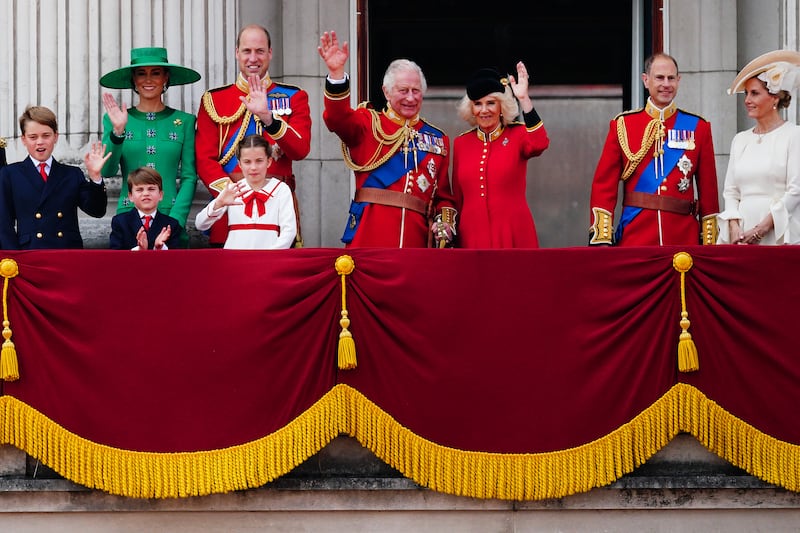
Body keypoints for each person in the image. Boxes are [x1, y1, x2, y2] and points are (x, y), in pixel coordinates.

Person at [318, 30, 455, 248]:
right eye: (403, 90)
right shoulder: (367, 123)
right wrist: (336, 74)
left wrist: (444, 224)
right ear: (386, 92)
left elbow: (444, 197)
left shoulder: (438, 138)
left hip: (416, 242)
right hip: (370, 237)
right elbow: (337, 118)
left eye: (416, 91)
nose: (410, 97)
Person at [195, 24, 310, 247]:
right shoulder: (214, 100)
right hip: (231, 209)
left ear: (270, 53)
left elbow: (301, 149)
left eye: (259, 51)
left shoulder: (294, 96)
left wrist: (269, 119)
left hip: (278, 207)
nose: (253, 58)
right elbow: (204, 159)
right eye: (247, 51)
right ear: (237, 53)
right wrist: (234, 195)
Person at [589, 53, 719, 246]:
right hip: (636, 236)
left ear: (678, 80)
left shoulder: (698, 127)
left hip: (683, 238)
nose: (666, 84)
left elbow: (709, 190)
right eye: (659, 77)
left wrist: (710, 241)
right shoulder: (623, 125)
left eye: (671, 78)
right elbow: (604, 185)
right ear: (645, 80)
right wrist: (602, 236)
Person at [99, 47, 200, 248]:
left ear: (166, 78)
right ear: (133, 80)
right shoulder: (116, 119)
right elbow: (107, 171)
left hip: (170, 218)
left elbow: (190, 176)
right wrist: (118, 132)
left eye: (156, 73)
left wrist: (176, 221)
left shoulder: (185, 121)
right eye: (141, 73)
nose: (148, 80)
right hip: (128, 219)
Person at [452, 64, 549, 248]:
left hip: (513, 233)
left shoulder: (518, 134)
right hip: (472, 236)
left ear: (501, 106)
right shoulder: (461, 144)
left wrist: (524, 99)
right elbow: (458, 198)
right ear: (471, 109)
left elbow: (540, 143)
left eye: (491, 103)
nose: (484, 110)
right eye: (477, 104)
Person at [718, 50, 800, 245]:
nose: (747, 100)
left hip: (779, 231)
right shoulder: (740, 140)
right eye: (746, 93)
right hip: (741, 235)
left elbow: (795, 190)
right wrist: (734, 226)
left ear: (775, 98)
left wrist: (762, 229)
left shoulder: (794, 135)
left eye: (754, 93)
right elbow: (730, 191)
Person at [0, 106, 109, 249]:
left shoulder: (72, 174)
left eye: (46, 135)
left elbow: (97, 211)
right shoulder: (9, 174)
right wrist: (13, 259)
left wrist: (95, 177)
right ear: (24, 139)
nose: (40, 142)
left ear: (55, 137)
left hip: (66, 254)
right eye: (33, 137)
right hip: (29, 254)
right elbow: (3, 223)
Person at [194, 134, 296, 249]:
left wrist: (271, 256)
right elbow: (200, 224)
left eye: (259, 161)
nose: (253, 167)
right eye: (247, 162)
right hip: (235, 260)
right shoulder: (233, 189)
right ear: (240, 164)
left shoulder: (281, 189)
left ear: (269, 162)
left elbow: (289, 231)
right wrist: (218, 203)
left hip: (269, 259)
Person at [110, 167, 183, 250]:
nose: (146, 193)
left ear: (160, 195)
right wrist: (139, 250)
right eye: (139, 190)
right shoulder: (120, 222)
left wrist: (159, 247)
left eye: (151, 189)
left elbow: (175, 258)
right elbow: (115, 256)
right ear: (130, 196)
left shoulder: (171, 225)